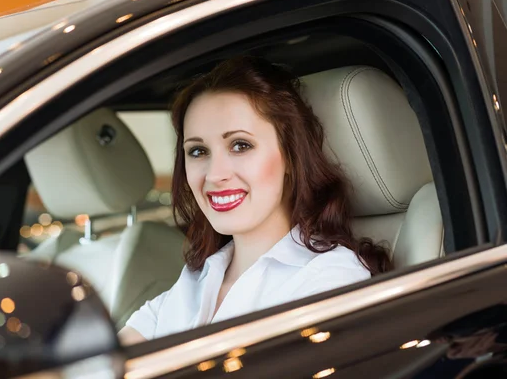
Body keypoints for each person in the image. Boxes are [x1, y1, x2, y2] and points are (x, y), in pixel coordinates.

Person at [119, 56, 391, 345]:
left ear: (290, 157)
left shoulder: (329, 279)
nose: (215, 175)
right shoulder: (195, 279)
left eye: (240, 145)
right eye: (198, 151)